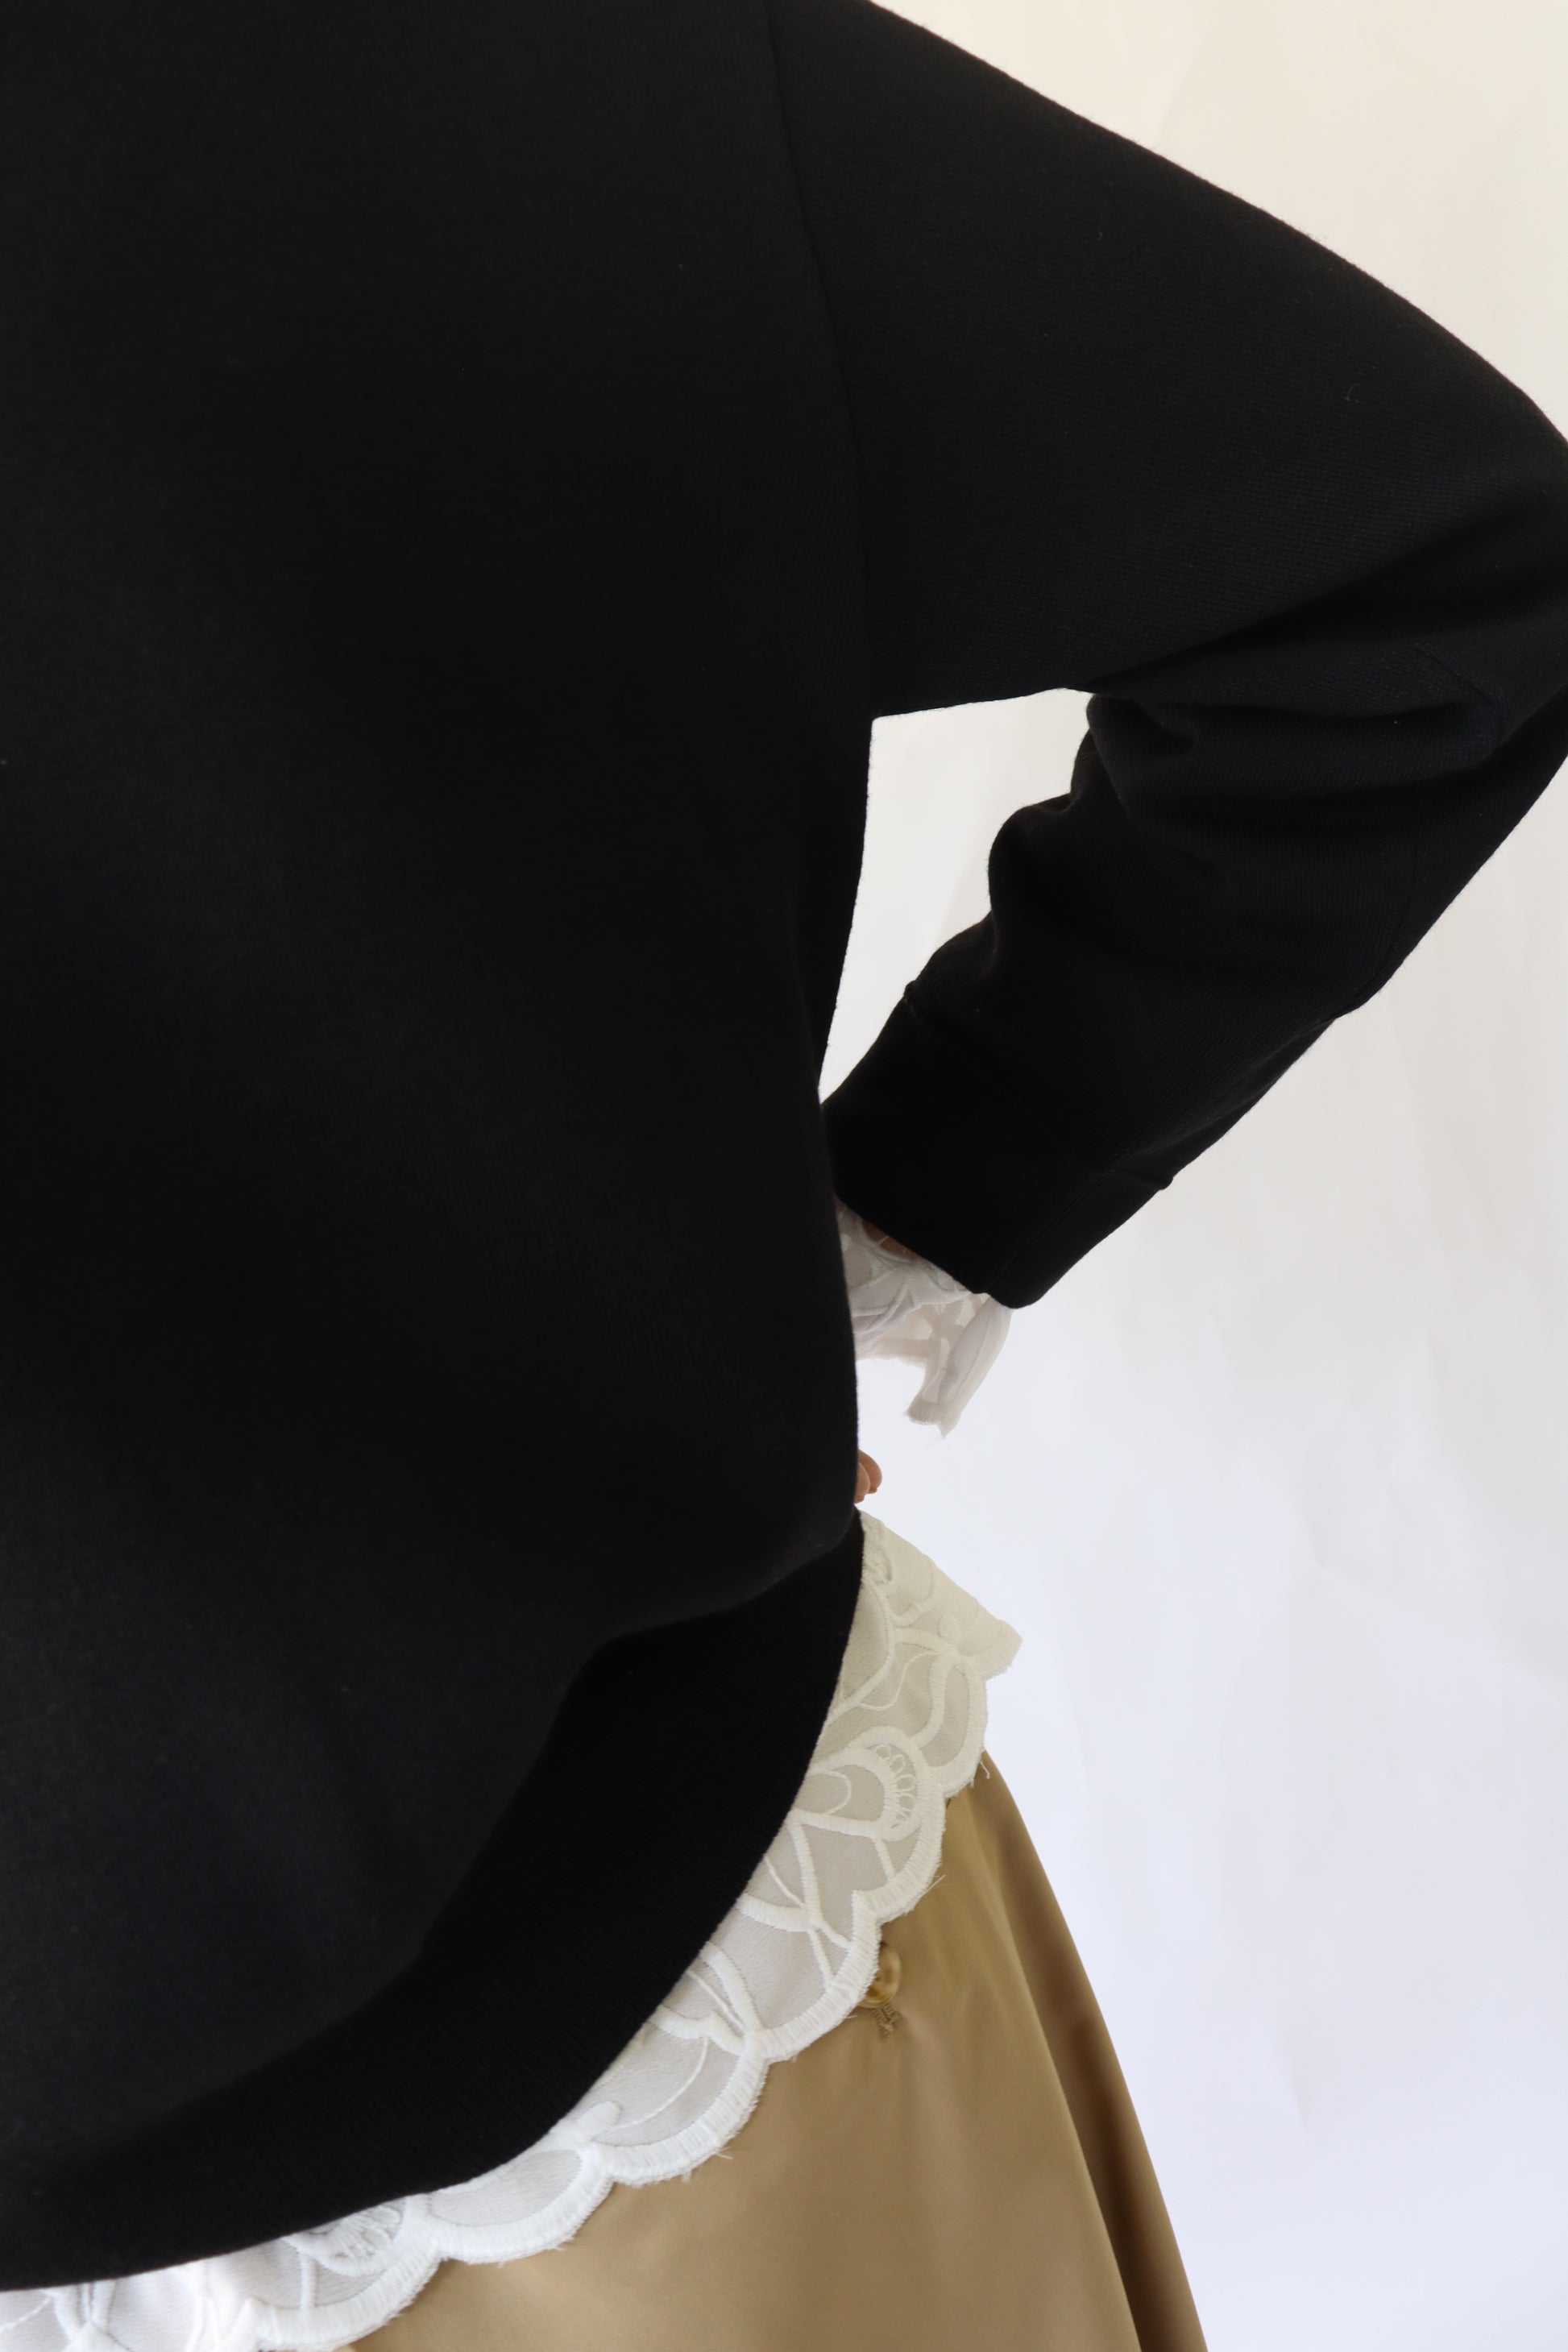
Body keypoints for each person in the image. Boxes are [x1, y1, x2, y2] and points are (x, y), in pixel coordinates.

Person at [1, 0, 1566, 2344]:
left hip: (642, 2058)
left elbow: (1427, 575)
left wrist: (912, 1214)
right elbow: (1428, 577)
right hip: (671, 2052)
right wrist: (913, 1213)